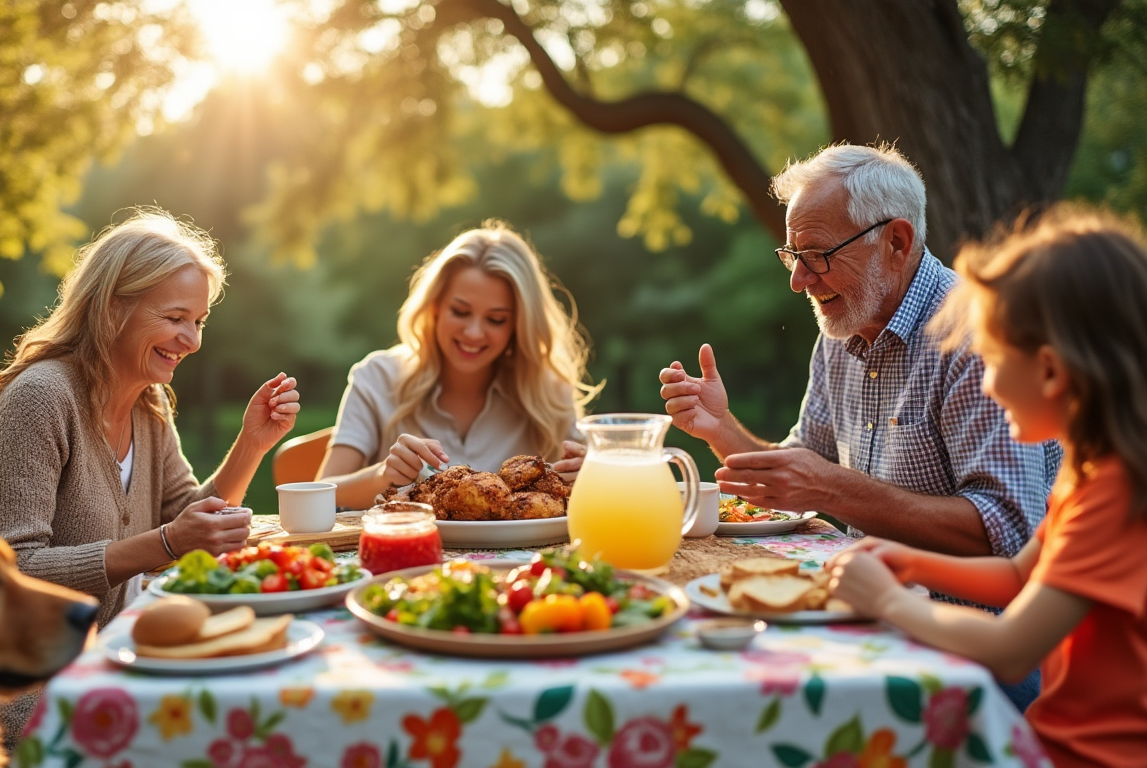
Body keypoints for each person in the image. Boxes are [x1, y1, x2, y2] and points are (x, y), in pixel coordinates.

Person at [0, 209, 299, 743]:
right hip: (15, 691)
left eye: (199, 321)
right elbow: (14, 567)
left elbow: (188, 517)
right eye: (175, 318)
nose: (193, 340)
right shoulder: (41, 399)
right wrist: (164, 543)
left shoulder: (147, 403)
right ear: (113, 307)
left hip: (106, 662)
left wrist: (253, 443)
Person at [828, 205, 1147, 766]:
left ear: (1050, 371)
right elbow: (1021, 576)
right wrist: (909, 564)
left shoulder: (1117, 494)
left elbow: (1009, 649)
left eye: (993, 360)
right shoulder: (1092, 467)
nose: (989, 384)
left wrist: (885, 600)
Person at [659, 143, 1058, 558]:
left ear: (896, 243)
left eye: (816, 254)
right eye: (793, 256)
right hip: (868, 601)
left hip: (963, 618)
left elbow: (1008, 528)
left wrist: (833, 487)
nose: (798, 281)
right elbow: (799, 474)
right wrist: (720, 426)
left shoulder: (978, 336)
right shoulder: (843, 327)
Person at [318, 221, 599, 510]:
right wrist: (382, 475)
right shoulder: (376, 378)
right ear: (435, 306)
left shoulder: (549, 391)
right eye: (460, 312)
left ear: (518, 325)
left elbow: (586, 496)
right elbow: (320, 493)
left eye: (496, 319)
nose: (474, 333)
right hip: (409, 550)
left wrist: (592, 475)